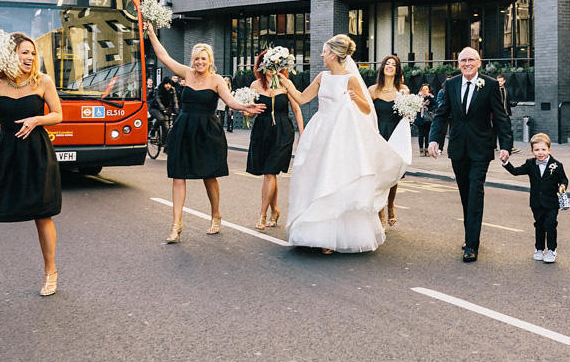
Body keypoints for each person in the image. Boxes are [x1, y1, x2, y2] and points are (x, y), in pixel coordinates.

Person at [0, 32, 63, 304]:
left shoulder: (43, 82)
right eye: (23, 52)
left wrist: (37, 120)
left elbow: (58, 114)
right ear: (10, 55)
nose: (29, 57)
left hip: (36, 153)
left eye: (32, 53)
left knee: (43, 214)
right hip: (5, 154)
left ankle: (50, 272)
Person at [279, 34, 409, 254]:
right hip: (320, 131)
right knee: (313, 177)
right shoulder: (322, 76)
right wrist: (286, 84)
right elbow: (302, 98)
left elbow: (367, 109)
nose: (322, 55)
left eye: (324, 51)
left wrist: (354, 98)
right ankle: (312, 231)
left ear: (334, 54)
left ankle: (333, 236)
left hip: (340, 135)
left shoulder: (351, 79)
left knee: (334, 179)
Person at [145, 24, 264, 243]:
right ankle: (176, 224)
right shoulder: (186, 73)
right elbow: (163, 56)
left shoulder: (217, 80)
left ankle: (216, 214)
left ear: (210, 60)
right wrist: (152, 33)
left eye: (203, 59)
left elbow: (229, 100)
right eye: (197, 59)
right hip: (184, 129)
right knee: (178, 176)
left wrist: (245, 107)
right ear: (193, 60)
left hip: (208, 131)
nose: (200, 62)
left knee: (209, 177)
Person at [428, 48, 513, 263]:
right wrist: (433, 139)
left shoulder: (491, 84)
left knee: (476, 192)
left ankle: (472, 245)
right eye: (463, 60)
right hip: (458, 147)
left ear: (479, 62)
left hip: (481, 148)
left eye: (471, 60)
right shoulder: (451, 84)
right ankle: (471, 236)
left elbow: (501, 118)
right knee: (465, 194)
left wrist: (505, 145)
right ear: (458, 64)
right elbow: (441, 114)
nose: (467, 63)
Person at [246, 50, 304, 230]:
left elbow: (296, 109)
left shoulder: (286, 84)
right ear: (262, 66)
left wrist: (303, 134)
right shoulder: (255, 85)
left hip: (283, 131)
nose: (272, 68)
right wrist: (246, 112)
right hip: (262, 131)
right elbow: (249, 111)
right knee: (270, 174)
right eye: (268, 64)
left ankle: (262, 214)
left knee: (270, 172)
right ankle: (275, 210)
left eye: (275, 64)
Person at [501, 133, 568, 264]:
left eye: (543, 149)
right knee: (539, 225)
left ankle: (552, 250)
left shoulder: (557, 165)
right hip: (536, 202)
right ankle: (539, 249)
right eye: (537, 150)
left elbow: (563, 179)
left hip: (551, 202)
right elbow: (516, 171)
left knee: (550, 224)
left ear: (549, 149)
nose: (540, 153)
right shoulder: (530, 164)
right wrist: (506, 163)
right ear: (532, 151)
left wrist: (563, 186)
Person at [367, 55, 411, 229]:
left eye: (393, 64)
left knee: (393, 176)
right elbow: (366, 113)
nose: (390, 66)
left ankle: (391, 205)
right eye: (387, 63)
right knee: (378, 175)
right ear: (382, 67)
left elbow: (407, 115)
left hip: (395, 135)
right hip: (378, 135)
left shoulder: (403, 90)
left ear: (397, 69)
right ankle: (381, 213)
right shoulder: (373, 90)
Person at [149, 76, 178, 142]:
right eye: (166, 84)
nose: (168, 86)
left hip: (165, 108)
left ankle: (164, 143)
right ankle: (153, 131)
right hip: (154, 107)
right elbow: (157, 100)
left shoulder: (172, 89)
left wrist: (176, 110)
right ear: (163, 84)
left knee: (166, 127)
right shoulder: (158, 89)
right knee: (161, 118)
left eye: (169, 84)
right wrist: (163, 110)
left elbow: (175, 100)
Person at [413, 83, 435, 157]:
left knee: (427, 134)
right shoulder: (418, 97)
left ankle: (427, 149)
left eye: (426, 89)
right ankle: (421, 150)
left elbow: (435, 104)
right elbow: (414, 105)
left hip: (428, 118)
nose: (425, 90)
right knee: (421, 134)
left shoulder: (430, 97)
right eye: (423, 89)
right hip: (420, 117)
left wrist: (429, 97)